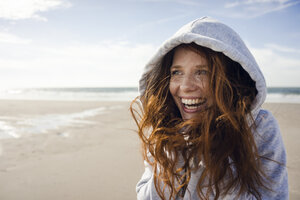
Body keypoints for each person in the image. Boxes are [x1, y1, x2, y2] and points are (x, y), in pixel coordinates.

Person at [130, 17, 288, 200]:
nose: (186, 86)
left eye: (202, 72)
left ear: (229, 79)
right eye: (177, 72)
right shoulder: (164, 127)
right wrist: (172, 159)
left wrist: (217, 161)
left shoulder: (259, 127)